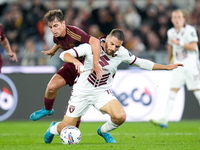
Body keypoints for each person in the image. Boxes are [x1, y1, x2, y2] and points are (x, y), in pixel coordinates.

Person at [43, 29, 183, 144]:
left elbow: (141, 63)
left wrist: (166, 67)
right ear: (108, 37)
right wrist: (76, 62)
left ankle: (103, 131)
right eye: (112, 44)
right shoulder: (91, 46)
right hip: (81, 92)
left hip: (102, 92)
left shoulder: (121, 52)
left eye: (117, 46)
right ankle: (53, 128)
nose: (113, 48)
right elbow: (65, 54)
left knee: (120, 116)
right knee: (66, 128)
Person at [29, 9, 103, 122]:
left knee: (78, 104)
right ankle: (48, 109)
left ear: (63, 23)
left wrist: (96, 63)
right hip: (71, 64)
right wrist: (53, 50)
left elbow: (95, 42)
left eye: (56, 25)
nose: (53, 30)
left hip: (84, 68)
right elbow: (59, 43)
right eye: (50, 27)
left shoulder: (74, 33)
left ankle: (70, 128)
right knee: (51, 87)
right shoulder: (56, 36)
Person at [150, 9, 200, 128]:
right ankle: (165, 120)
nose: (177, 19)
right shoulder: (170, 32)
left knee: (197, 92)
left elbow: (193, 47)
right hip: (178, 67)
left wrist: (180, 43)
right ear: (172, 20)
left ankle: (164, 119)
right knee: (172, 92)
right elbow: (171, 47)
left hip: (191, 66)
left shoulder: (190, 30)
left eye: (179, 17)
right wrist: (169, 61)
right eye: (175, 17)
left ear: (184, 19)